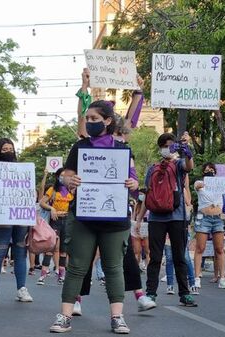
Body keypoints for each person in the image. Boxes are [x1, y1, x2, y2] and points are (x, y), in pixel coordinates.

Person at [49, 100, 139, 334]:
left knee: (114, 268)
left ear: (107, 121)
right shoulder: (80, 147)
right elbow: (65, 177)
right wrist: (67, 180)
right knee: (76, 267)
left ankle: (117, 317)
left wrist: (133, 183)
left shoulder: (122, 150)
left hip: (115, 220)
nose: (89, 123)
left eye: (94, 119)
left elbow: (134, 181)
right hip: (83, 217)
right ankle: (64, 316)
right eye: (87, 119)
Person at [135, 131, 196, 309]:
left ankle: (184, 293)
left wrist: (187, 150)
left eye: (170, 146)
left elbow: (189, 167)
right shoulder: (152, 169)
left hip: (176, 217)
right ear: (160, 148)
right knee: (155, 257)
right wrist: (139, 219)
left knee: (179, 256)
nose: (166, 149)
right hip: (155, 218)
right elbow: (147, 194)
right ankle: (151, 293)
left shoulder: (178, 165)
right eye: (163, 146)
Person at [0, 138, 34, 303]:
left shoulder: (22, 171)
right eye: (5, 149)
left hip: (20, 217)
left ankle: (22, 288)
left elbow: (29, 193)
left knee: (20, 252)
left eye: (11, 148)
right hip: (2, 216)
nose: (9, 151)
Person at [193, 163, 225, 290]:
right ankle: (197, 277)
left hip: (218, 218)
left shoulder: (219, 184)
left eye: (212, 170)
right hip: (204, 218)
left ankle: (222, 278)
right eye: (207, 170)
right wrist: (207, 181)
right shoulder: (200, 183)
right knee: (200, 248)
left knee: (220, 249)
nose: (210, 171)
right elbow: (198, 186)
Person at [37, 168, 74, 285]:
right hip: (55, 220)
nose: (64, 178)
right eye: (62, 176)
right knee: (51, 247)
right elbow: (42, 202)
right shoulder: (53, 189)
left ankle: (61, 276)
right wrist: (52, 208)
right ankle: (43, 274)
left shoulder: (71, 190)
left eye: (66, 176)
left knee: (64, 250)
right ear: (58, 177)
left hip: (67, 221)